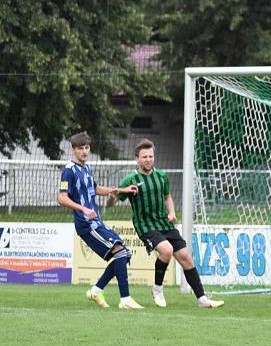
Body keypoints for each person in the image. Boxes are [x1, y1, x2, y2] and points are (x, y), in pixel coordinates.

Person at [112, 139, 223, 309]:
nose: (148, 159)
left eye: (150, 156)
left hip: (164, 223)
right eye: (144, 157)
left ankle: (202, 299)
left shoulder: (161, 176)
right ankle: (157, 289)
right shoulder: (130, 179)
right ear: (137, 159)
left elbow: (167, 196)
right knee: (167, 250)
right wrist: (115, 194)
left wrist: (171, 212)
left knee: (186, 257)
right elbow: (112, 201)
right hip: (146, 226)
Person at [58, 133, 144, 310]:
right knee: (120, 251)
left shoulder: (87, 168)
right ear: (73, 150)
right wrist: (82, 209)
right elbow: (61, 198)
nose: (84, 151)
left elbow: (95, 189)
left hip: (97, 221)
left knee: (124, 253)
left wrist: (121, 189)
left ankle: (96, 291)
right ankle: (125, 299)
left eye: (86, 148)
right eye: (80, 148)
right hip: (85, 224)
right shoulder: (69, 170)